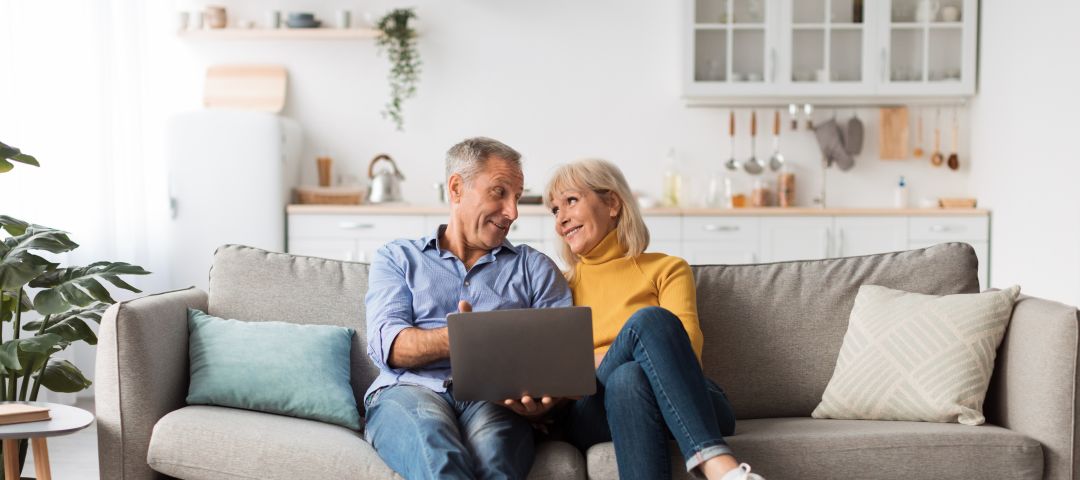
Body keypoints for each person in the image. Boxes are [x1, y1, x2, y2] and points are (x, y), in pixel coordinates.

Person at [363, 137, 572, 480]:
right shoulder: (398, 258)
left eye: (517, 197)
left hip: (495, 401)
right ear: (457, 188)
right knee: (435, 448)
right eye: (499, 192)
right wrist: (467, 338)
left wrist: (549, 403)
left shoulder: (534, 269)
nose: (513, 212)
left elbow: (563, 362)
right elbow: (392, 347)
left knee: (496, 457)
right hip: (411, 390)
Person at [544, 159, 765, 480]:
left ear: (612, 203)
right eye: (554, 210)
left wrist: (593, 359)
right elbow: (561, 372)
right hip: (595, 412)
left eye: (571, 201)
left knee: (632, 369)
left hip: (690, 396)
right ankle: (721, 468)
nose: (561, 218)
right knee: (637, 347)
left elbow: (685, 353)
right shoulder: (559, 286)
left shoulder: (667, 269)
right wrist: (616, 355)